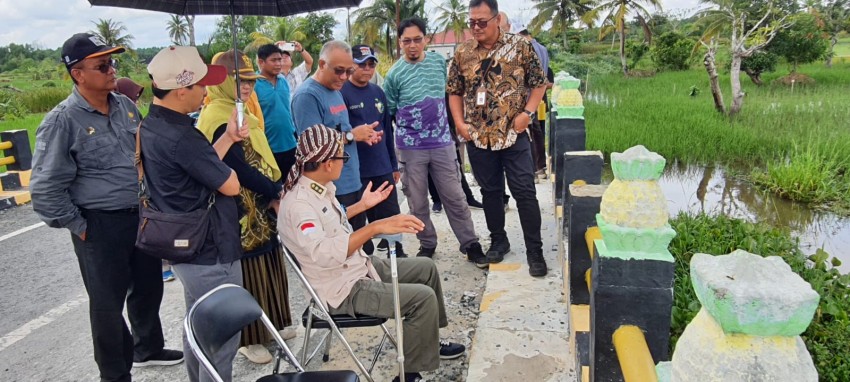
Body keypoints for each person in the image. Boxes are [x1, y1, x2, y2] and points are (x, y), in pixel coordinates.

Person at [30, 33, 183, 382]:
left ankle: (148, 347)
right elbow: (44, 188)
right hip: (99, 225)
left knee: (148, 288)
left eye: (112, 62)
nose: (111, 70)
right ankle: (114, 373)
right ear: (77, 74)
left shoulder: (125, 106)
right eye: (102, 65)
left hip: (139, 216)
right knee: (107, 306)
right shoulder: (62, 121)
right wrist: (80, 226)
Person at [278, 125, 466, 382]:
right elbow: (323, 254)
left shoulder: (317, 187)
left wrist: (362, 206)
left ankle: (429, 341)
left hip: (356, 266)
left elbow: (332, 221)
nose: (345, 161)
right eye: (342, 157)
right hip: (342, 289)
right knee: (422, 299)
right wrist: (375, 228)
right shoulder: (300, 205)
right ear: (324, 162)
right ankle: (408, 376)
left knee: (426, 268)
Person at [140, 46, 245, 382]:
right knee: (222, 337)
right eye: (201, 86)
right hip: (211, 250)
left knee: (197, 327)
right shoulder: (183, 135)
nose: (206, 91)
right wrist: (229, 169)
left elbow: (198, 168)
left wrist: (227, 138)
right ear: (182, 90)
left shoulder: (152, 125)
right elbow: (230, 185)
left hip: (184, 247)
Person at [197, 49, 294, 365]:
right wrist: (274, 187)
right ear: (223, 82)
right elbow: (236, 166)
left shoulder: (244, 113)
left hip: (259, 201)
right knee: (250, 267)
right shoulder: (215, 117)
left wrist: (271, 188)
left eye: (251, 80)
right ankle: (249, 338)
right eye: (240, 81)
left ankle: (273, 323)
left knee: (269, 257)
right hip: (238, 208)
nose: (247, 87)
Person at [447, 0, 549, 277]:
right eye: (472, 22)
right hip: (479, 137)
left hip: (513, 134)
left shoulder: (520, 46)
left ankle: (535, 250)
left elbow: (539, 83)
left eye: (482, 21)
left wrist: (528, 112)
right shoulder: (463, 52)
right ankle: (499, 239)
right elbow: (454, 91)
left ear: (496, 19)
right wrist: (459, 123)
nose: (476, 27)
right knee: (490, 192)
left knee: (524, 192)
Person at [383, 17, 486, 266]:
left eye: (417, 40)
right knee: (417, 202)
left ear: (426, 39)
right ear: (400, 42)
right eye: (407, 41)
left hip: (442, 143)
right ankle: (427, 244)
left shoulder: (439, 63)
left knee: (455, 197)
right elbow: (391, 110)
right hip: (410, 148)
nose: (413, 45)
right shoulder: (394, 75)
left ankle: (470, 244)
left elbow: (451, 96)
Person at [291, 40, 381, 242]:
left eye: (349, 71)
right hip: (332, 188)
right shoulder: (307, 96)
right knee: (342, 247)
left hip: (351, 181)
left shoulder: (335, 91)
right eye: (339, 71)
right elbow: (313, 146)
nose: (344, 77)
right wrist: (352, 136)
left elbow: (340, 130)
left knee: (361, 244)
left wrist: (363, 135)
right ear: (322, 64)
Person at [340, 44, 406, 257]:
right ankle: (364, 261)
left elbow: (387, 129)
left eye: (371, 65)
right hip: (357, 170)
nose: (367, 69)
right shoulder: (342, 93)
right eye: (362, 65)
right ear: (352, 66)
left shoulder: (378, 92)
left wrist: (393, 164)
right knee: (360, 220)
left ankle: (396, 253)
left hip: (381, 166)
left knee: (390, 213)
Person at [255, 44, 298, 176]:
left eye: (280, 59)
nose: (279, 63)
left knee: (293, 187)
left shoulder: (283, 80)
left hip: (290, 143)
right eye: (274, 60)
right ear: (261, 62)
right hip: (268, 148)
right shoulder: (254, 84)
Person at [514, 23, 550, 178]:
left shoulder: (527, 48)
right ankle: (540, 167)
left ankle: (534, 169)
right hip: (539, 99)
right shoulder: (542, 49)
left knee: (529, 134)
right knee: (537, 132)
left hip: (529, 99)